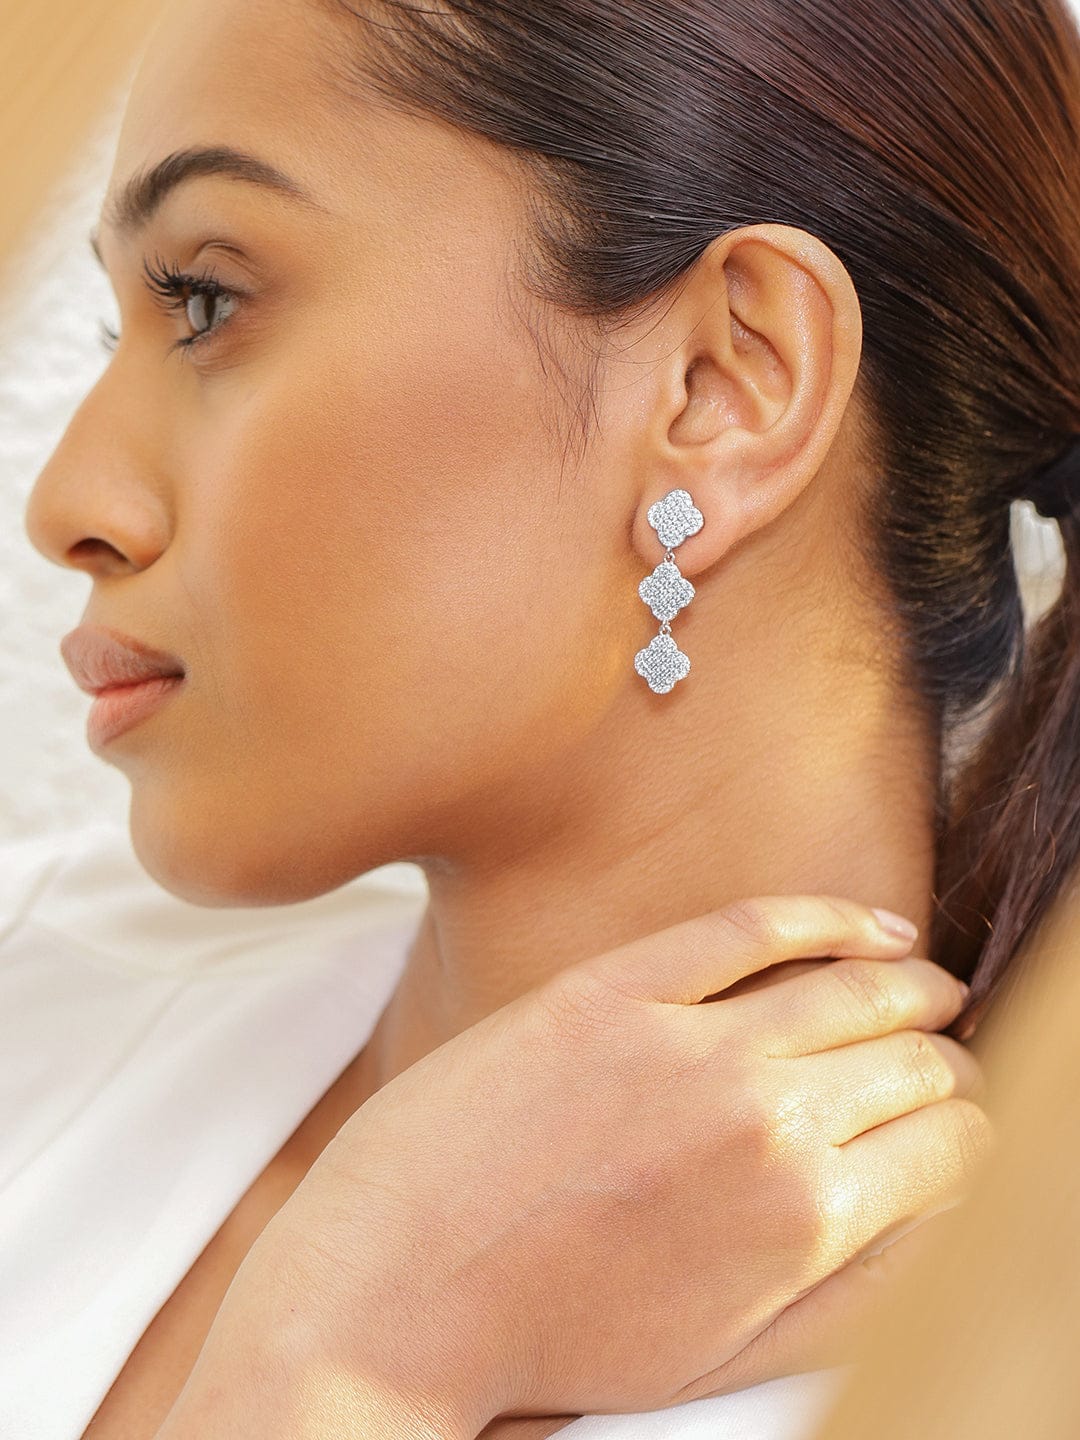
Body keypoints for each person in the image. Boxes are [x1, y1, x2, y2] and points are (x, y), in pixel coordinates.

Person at [12, 0, 1079, 1433]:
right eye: (115, 324)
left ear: (724, 384)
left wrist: (367, 1368)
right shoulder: (34, 982)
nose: (66, 505)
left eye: (204, 303)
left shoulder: (988, 1382)